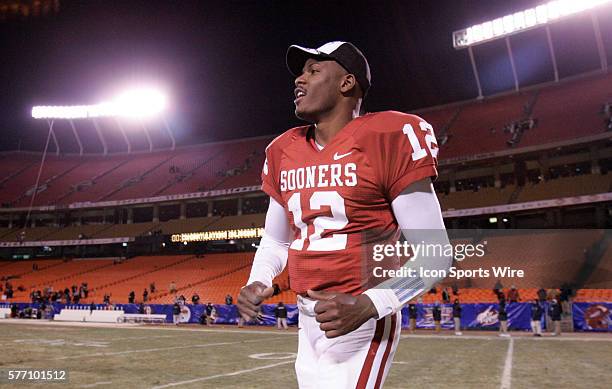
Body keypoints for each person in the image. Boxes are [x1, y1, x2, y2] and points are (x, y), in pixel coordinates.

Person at [237, 41, 450, 388]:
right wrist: (258, 279)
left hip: (361, 318)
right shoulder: (282, 150)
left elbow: (436, 255)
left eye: (313, 70)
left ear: (347, 82)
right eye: (300, 72)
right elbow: (276, 241)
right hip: (307, 318)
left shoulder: (389, 136)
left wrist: (370, 304)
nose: (299, 80)